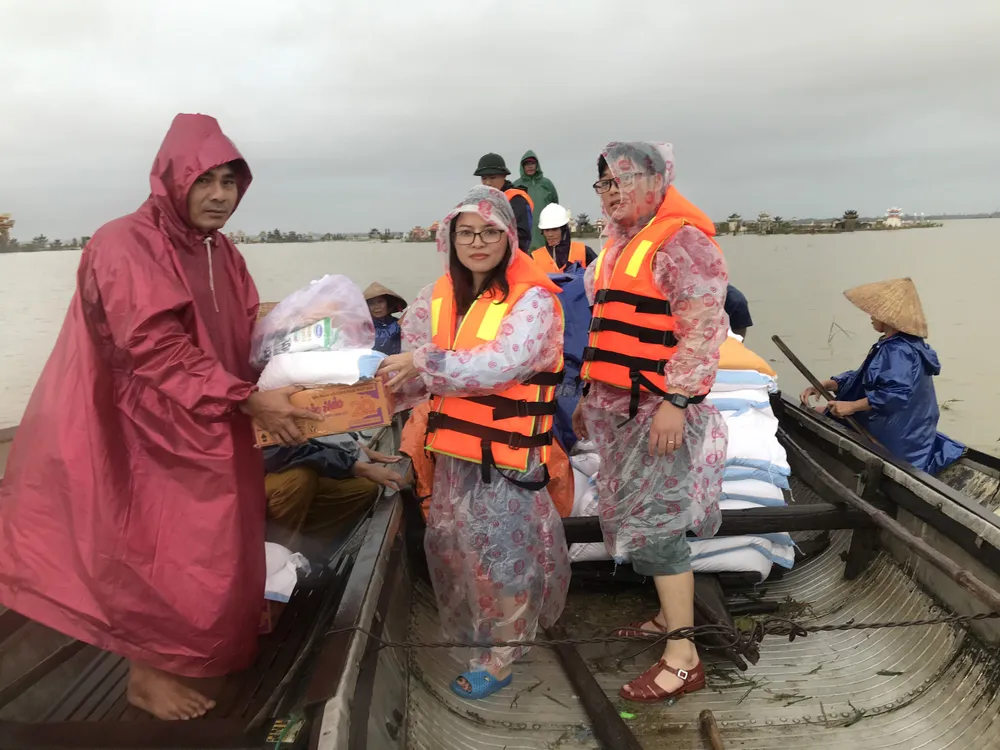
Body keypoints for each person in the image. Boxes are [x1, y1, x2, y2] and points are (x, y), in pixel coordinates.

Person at [0, 113, 321, 721]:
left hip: (211, 417)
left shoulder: (222, 251)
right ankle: (145, 673)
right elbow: (151, 344)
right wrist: (245, 398)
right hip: (139, 425)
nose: (219, 195)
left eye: (230, 182)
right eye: (204, 181)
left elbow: (241, 333)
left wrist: (302, 364)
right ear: (173, 179)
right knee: (151, 546)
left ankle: (200, 645)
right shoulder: (125, 242)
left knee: (213, 545)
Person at [377, 185, 570, 700]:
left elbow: (501, 364)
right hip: (455, 454)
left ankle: (504, 656)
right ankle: (486, 638)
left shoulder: (532, 300)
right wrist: (366, 389)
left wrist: (423, 362)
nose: (477, 242)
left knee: (506, 554)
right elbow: (414, 372)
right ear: (450, 239)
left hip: (506, 459)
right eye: (466, 233)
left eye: (489, 232)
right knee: (464, 550)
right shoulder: (435, 298)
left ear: (509, 238)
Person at [572, 142, 728, 704]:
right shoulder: (620, 243)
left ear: (655, 180)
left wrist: (676, 401)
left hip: (658, 407)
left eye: (623, 181)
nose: (612, 193)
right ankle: (667, 617)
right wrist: (586, 395)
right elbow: (602, 326)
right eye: (605, 184)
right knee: (635, 513)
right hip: (617, 406)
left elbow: (703, 329)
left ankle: (684, 659)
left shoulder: (683, 243)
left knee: (658, 522)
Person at [800, 277, 965, 475]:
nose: (870, 316)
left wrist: (851, 406)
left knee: (817, 414)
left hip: (900, 439)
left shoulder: (897, 350)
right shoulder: (906, 344)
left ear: (887, 318)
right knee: (823, 411)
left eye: (875, 312)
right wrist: (829, 384)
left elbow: (894, 395)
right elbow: (867, 379)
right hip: (914, 431)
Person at [264, 435, 403, 556]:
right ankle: (277, 561)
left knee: (364, 488)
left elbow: (322, 426)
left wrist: (357, 448)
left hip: (297, 459)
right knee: (298, 479)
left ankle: (308, 553)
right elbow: (281, 454)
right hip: (261, 479)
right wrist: (358, 466)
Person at [473, 153, 533, 253]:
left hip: (512, 256)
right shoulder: (482, 201)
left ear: (504, 176)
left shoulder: (516, 199)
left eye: (492, 178)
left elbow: (522, 237)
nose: (488, 183)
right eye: (484, 178)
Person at [531, 202, 598, 273]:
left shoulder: (584, 251)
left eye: (554, 229)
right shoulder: (534, 258)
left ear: (563, 230)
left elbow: (601, 274)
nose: (550, 234)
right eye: (546, 230)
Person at [514, 150, 559, 249]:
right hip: (525, 232)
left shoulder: (547, 184)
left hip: (545, 231)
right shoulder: (516, 185)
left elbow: (555, 206)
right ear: (522, 167)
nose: (530, 166)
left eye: (532, 163)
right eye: (527, 164)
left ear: (537, 165)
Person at [364, 282, 406, 355]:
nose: (377, 307)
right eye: (371, 303)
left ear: (388, 304)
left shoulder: (397, 322)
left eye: (380, 302)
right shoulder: (364, 325)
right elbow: (380, 343)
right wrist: (398, 326)